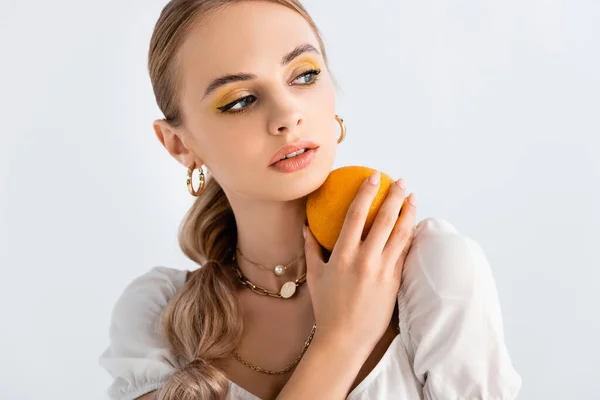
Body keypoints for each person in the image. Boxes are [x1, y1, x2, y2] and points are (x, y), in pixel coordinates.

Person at [98, 1, 522, 399]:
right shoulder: (157, 318)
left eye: (304, 75)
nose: (287, 115)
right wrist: (342, 339)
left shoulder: (431, 273)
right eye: (241, 100)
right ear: (178, 144)